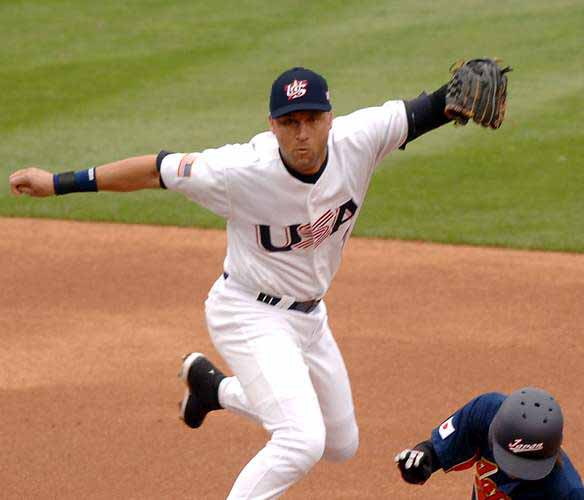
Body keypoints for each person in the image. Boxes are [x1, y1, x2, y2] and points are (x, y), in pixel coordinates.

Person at [10, 65, 494, 499]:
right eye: (289, 122)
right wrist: (58, 182)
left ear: (330, 117)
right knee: (301, 440)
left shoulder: (360, 137)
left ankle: (214, 390)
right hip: (247, 311)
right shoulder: (236, 171)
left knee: (340, 444)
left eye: (311, 119)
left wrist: (458, 100)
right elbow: (153, 169)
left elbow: (430, 108)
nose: (301, 133)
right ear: (272, 125)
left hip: (311, 317)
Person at [395, 387, 584, 499]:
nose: (513, 472)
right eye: (511, 461)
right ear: (494, 433)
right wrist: (422, 459)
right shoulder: (484, 413)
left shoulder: (567, 493)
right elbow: (434, 452)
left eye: (526, 467)